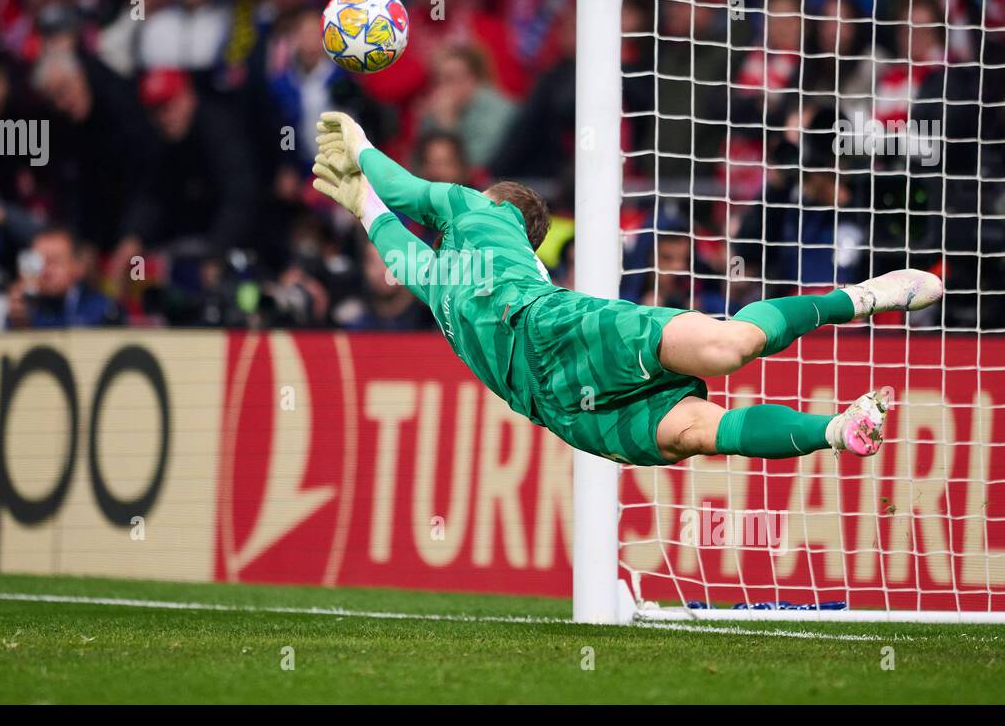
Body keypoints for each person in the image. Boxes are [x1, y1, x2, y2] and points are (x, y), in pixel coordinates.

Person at [311, 111, 945, 467]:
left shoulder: (482, 212)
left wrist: (361, 148)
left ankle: (864, 295)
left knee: (726, 349)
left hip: (555, 331)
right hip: (553, 403)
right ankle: (837, 431)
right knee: (697, 430)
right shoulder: (445, 278)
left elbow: (408, 196)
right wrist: (361, 201)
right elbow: (399, 239)